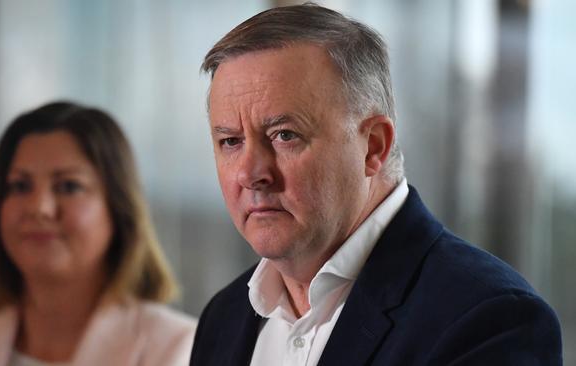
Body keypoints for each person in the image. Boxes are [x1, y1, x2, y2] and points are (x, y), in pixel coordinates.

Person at [190, 4, 562, 366]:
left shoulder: (490, 320)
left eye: (284, 135)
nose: (251, 173)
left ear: (374, 146)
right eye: (230, 142)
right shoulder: (223, 318)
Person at [0, 101, 196, 365]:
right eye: (20, 186)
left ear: (118, 208)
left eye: (68, 186)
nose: (39, 208)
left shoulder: (180, 348)